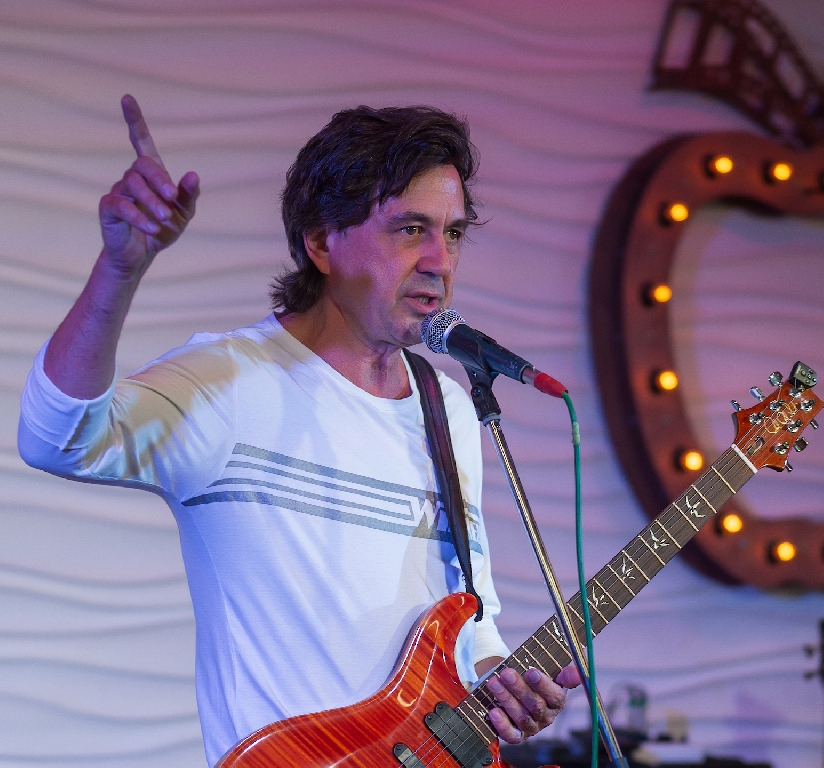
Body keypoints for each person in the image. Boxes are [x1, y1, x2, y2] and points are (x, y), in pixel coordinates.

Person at [18, 95, 580, 766]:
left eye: (453, 233)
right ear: (320, 241)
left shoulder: (449, 407)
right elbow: (57, 438)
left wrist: (503, 684)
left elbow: (471, 617)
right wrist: (119, 271)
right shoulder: (231, 381)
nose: (440, 260)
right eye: (411, 229)